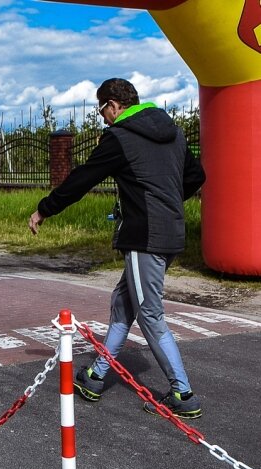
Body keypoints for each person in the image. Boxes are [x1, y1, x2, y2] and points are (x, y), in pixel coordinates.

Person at [28, 78, 206, 419]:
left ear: (112, 104)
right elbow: (196, 176)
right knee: (123, 304)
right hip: (168, 232)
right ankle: (95, 376)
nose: (103, 118)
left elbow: (83, 178)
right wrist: (167, 202)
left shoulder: (120, 137)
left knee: (150, 314)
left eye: (101, 111)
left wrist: (44, 209)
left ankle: (183, 394)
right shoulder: (174, 132)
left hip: (145, 237)